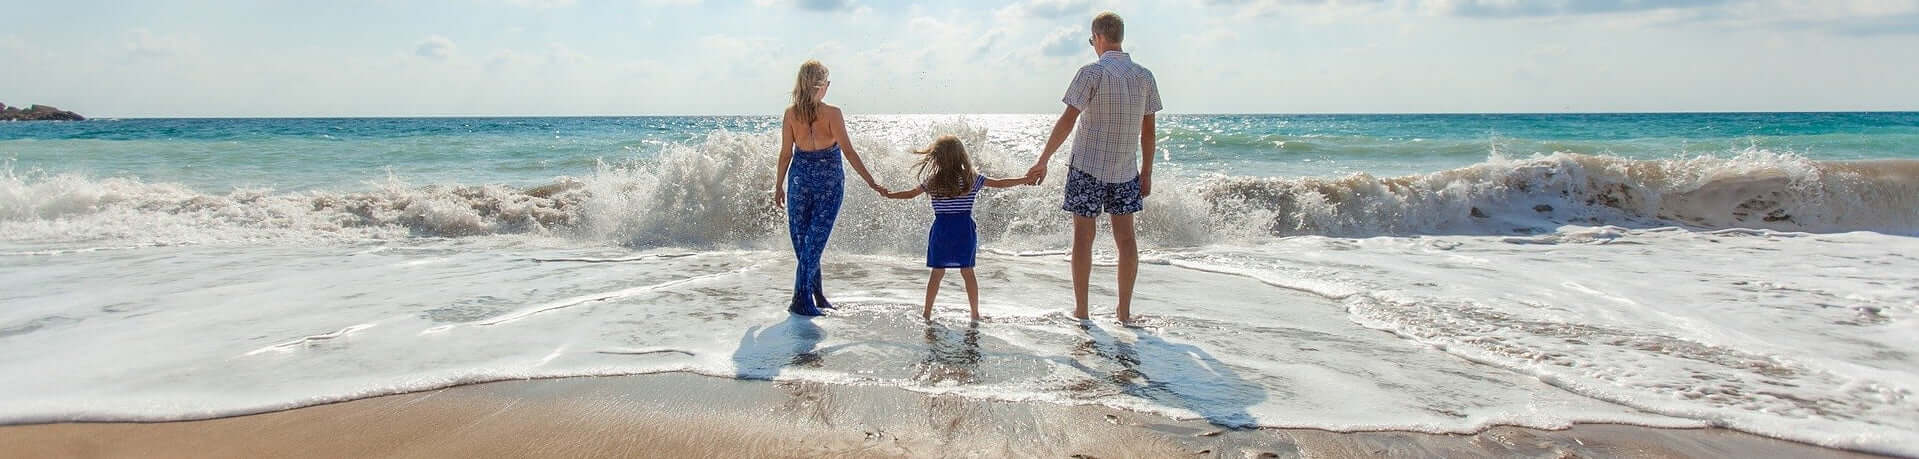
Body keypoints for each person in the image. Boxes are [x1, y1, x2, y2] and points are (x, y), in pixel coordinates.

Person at [1024, 11, 1162, 324]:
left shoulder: (1091, 73)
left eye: (1092, 40)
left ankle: (1082, 311)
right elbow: (1149, 132)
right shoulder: (1144, 76)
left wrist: (1043, 159)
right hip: (1126, 170)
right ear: (1120, 37)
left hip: (1087, 167)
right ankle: (1124, 312)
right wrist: (1148, 172)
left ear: (1098, 37)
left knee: (1083, 239)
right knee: (1126, 240)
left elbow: (1068, 120)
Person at [880, 135, 1037, 321]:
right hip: (964, 231)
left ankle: (927, 313)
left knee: (937, 273)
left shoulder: (933, 181)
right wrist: (1024, 179)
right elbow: (1000, 183)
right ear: (961, 156)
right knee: (967, 272)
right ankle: (975, 313)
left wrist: (889, 195)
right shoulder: (971, 179)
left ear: (936, 157)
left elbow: (911, 194)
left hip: (942, 230)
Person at [774, 60, 884, 316]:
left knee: (808, 243)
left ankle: (816, 295)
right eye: (827, 83)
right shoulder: (832, 113)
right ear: (823, 85)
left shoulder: (791, 114)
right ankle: (801, 300)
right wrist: (871, 181)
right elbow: (848, 151)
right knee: (809, 244)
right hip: (826, 183)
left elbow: (785, 155)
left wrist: (778, 185)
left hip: (801, 181)